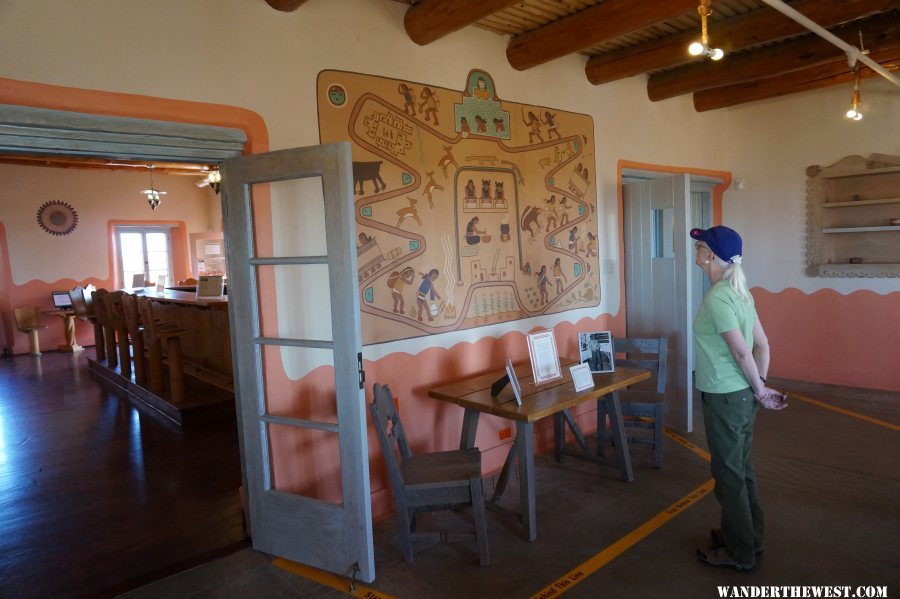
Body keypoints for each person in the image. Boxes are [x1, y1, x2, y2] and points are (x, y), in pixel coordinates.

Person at [691, 225, 787, 572]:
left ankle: (740, 552)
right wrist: (758, 389)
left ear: (712, 256)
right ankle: (748, 537)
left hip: (725, 397)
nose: (697, 251)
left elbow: (743, 352)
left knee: (728, 474)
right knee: (742, 469)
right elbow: (763, 346)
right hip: (742, 397)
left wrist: (760, 389)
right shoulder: (740, 292)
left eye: (700, 246)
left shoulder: (718, 297)